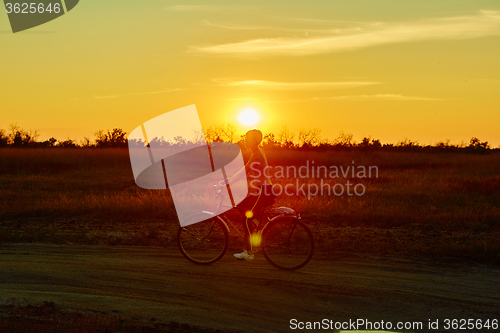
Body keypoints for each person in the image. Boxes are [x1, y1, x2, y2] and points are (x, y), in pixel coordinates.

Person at [221, 129, 275, 261]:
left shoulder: (257, 154)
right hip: (263, 190)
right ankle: (255, 233)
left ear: (254, 141)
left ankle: (249, 252)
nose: (245, 139)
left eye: (247, 138)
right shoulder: (258, 151)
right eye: (245, 137)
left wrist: (227, 183)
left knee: (246, 219)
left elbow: (243, 171)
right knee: (242, 206)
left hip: (264, 191)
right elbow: (244, 169)